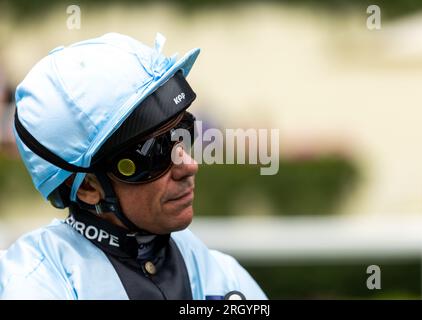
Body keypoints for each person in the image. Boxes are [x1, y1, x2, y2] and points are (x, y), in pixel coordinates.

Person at [0, 33, 267, 300]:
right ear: (88, 188)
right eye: (154, 153)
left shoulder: (223, 277)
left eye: (182, 134)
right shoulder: (33, 285)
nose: (189, 165)